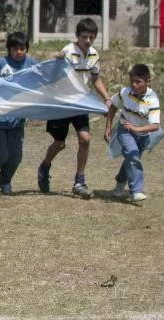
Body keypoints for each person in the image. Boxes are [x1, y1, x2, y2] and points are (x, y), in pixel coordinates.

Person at [37, 18, 111, 198]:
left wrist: (107, 98)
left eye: (91, 37)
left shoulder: (93, 55)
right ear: (77, 36)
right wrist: (55, 60)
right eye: (84, 36)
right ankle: (45, 166)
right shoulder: (68, 51)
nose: (88, 40)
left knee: (85, 139)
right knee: (59, 143)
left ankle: (79, 181)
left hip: (81, 103)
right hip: (62, 103)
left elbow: (96, 79)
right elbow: (53, 74)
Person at [0, 31, 39, 195]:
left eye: (22, 48)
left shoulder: (30, 63)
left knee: (16, 157)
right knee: (2, 154)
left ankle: (5, 181)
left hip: (17, 119)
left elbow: (45, 74)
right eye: (15, 48)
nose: (19, 52)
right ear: (9, 49)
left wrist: (60, 60)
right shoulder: (0, 63)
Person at [105, 64, 161, 203]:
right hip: (125, 129)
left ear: (147, 82)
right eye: (132, 81)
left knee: (131, 157)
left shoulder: (152, 99)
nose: (134, 85)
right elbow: (112, 106)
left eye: (138, 82)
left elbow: (154, 126)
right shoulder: (125, 92)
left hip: (143, 134)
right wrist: (108, 127)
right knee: (133, 155)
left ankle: (119, 183)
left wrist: (137, 129)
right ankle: (136, 191)